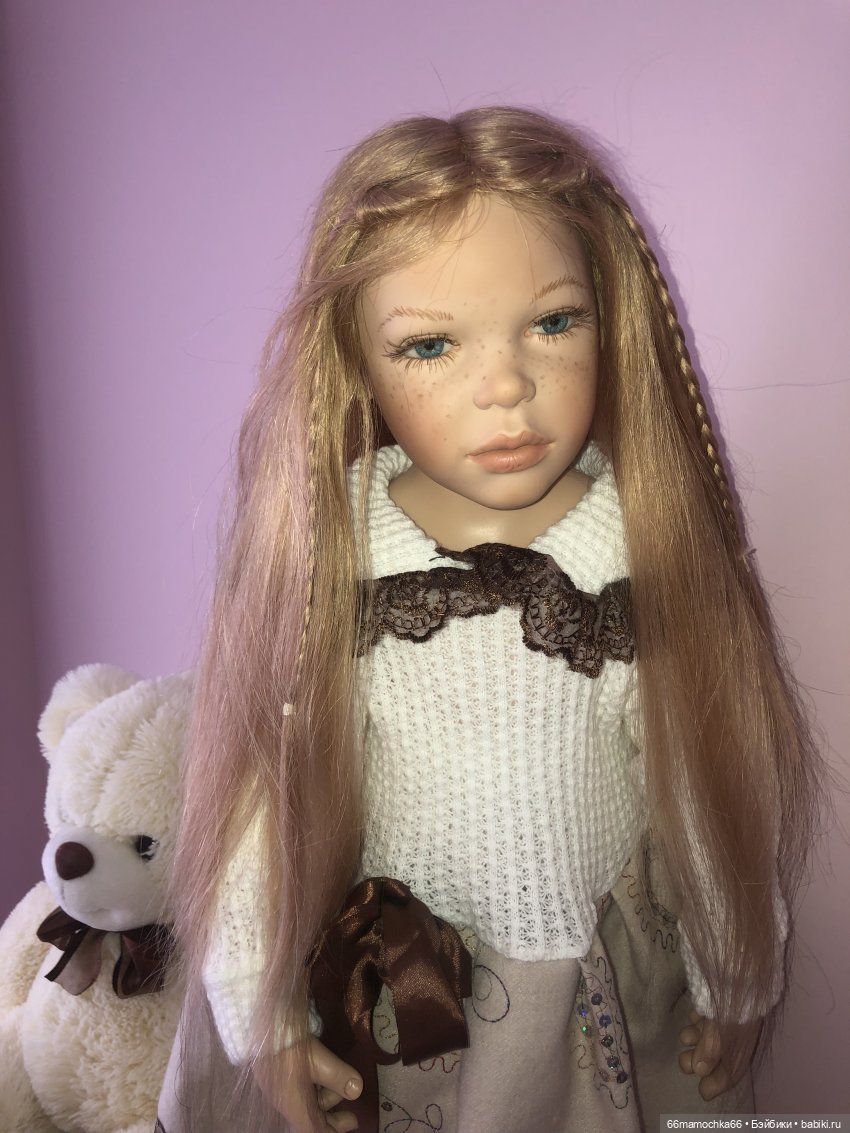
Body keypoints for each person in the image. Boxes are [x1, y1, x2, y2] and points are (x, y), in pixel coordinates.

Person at [158, 107, 823, 1133]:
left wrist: (734, 968)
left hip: (585, 1001)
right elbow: (262, 789)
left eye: (554, 323)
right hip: (390, 986)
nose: (506, 385)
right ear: (357, 363)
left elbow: (705, 776)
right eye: (429, 345)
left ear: (612, 318)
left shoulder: (638, 550)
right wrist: (259, 1000)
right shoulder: (330, 558)